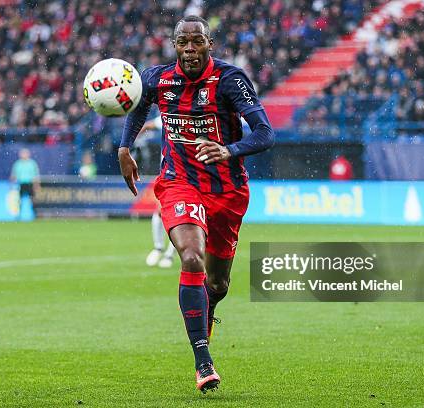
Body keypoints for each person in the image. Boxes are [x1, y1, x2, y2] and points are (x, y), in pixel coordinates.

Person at [118, 16, 274, 393]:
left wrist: (229, 150)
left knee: (217, 284)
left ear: (210, 44)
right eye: (183, 43)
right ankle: (203, 362)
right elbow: (139, 106)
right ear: (174, 45)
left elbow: (266, 132)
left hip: (227, 191)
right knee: (191, 257)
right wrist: (125, 146)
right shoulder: (157, 79)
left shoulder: (230, 80)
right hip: (179, 183)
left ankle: (208, 311)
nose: (190, 49)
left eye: (197, 42)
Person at [139, 116, 178, 269]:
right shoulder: (169, 114)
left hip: (187, 175)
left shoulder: (190, 119)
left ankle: (169, 253)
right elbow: (150, 124)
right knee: (160, 211)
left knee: (180, 216)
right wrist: (135, 134)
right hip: (167, 173)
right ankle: (159, 248)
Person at [10, 148, 40, 219]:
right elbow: (13, 175)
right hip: (21, 184)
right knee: (19, 200)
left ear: (28, 154)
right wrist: (11, 184)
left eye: (25, 154)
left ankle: (35, 214)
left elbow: (36, 175)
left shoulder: (32, 163)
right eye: (22, 154)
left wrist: (36, 185)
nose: (23, 155)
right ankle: (18, 215)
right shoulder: (17, 164)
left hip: (30, 184)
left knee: (32, 200)